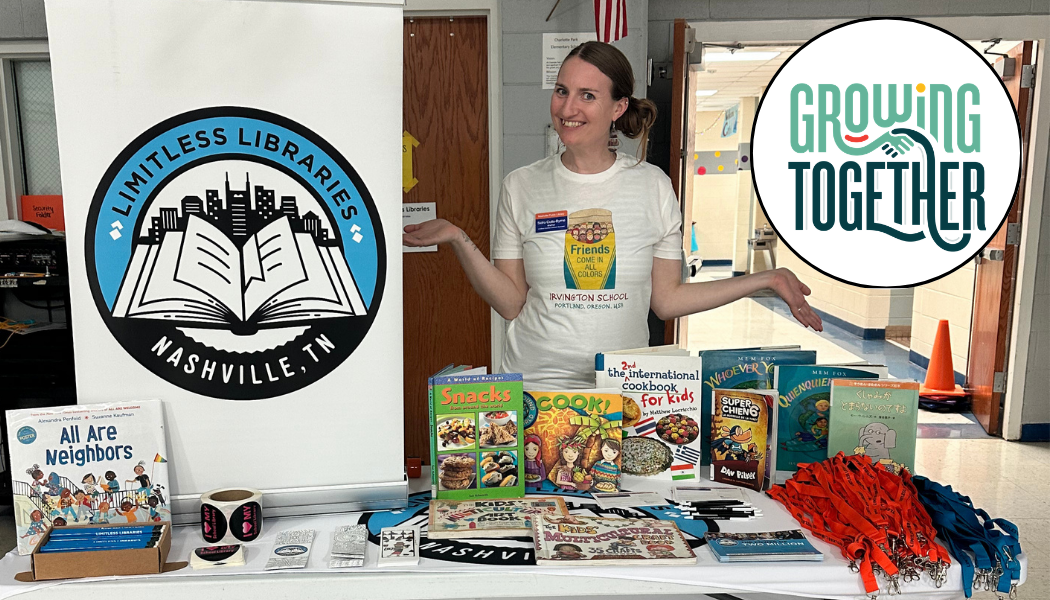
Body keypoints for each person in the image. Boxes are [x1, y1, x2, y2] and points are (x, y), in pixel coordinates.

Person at [403, 41, 822, 389]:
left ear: (618, 108)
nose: (568, 107)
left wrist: (765, 278)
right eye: (562, 90)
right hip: (539, 387)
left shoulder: (652, 185)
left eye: (588, 95)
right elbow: (512, 303)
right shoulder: (521, 185)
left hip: (624, 387)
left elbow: (667, 300)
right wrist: (460, 238)